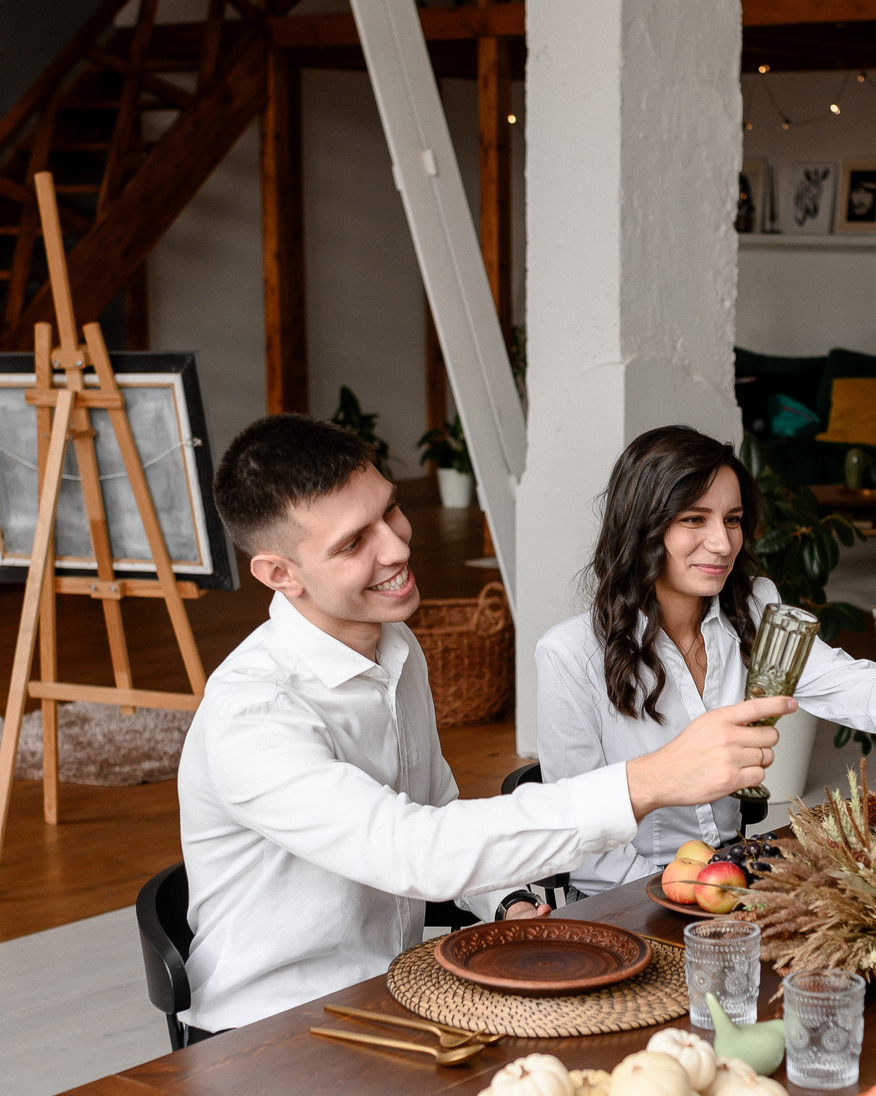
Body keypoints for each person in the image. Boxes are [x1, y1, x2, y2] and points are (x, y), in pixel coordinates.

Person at [175, 415, 795, 1034]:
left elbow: (437, 806)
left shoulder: (393, 647)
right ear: (279, 574)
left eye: (389, 511)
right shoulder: (253, 714)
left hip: (394, 988)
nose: (397, 548)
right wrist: (648, 781)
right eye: (353, 543)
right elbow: (414, 849)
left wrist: (507, 901)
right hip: (266, 1028)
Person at [534, 426, 876, 895]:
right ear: (641, 527)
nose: (723, 543)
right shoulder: (570, 655)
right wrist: (674, 894)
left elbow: (840, 682)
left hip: (730, 875)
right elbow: (583, 835)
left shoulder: (754, 604)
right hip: (625, 895)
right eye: (694, 519)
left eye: (733, 519)